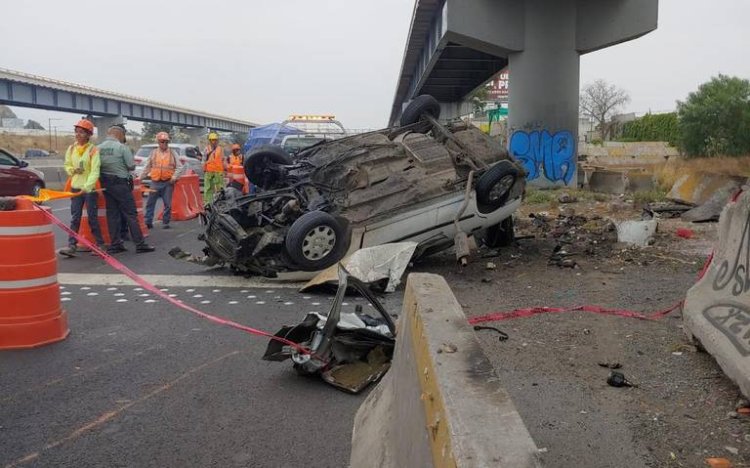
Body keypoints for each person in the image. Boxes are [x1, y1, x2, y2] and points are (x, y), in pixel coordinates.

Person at [97, 124, 155, 254]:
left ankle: (115, 244)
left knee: (112, 214)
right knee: (130, 214)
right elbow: (131, 166)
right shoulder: (121, 147)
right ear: (120, 134)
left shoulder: (98, 148)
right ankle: (140, 244)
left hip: (105, 183)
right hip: (121, 183)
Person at [58, 119, 105, 257]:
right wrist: (72, 170)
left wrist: (87, 187)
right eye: (76, 132)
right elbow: (67, 165)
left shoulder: (93, 150)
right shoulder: (71, 149)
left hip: (89, 190)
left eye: (81, 132)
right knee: (75, 218)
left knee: (92, 218)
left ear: (88, 134)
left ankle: (100, 245)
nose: (78, 134)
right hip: (75, 188)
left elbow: (95, 171)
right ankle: (71, 246)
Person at [142, 132, 185, 229]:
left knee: (167, 204)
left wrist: (174, 177)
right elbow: (147, 167)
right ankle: (148, 221)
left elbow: (179, 167)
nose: (164, 144)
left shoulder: (173, 153)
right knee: (150, 203)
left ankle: (165, 222)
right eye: (162, 142)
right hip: (155, 181)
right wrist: (140, 177)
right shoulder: (153, 153)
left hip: (168, 182)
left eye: (166, 142)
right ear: (158, 142)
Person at [202, 132, 225, 204]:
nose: (213, 142)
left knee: (220, 188)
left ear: (217, 141)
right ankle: (208, 203)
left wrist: (224, 169)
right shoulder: (206, 149)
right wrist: (204, 169)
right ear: (209, 141)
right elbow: (203, 160)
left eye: (215, 140)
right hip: (209, 171)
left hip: (218, 171)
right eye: (212, 140)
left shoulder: (220, 149)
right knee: (208, 188)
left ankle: (220, 202)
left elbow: (223, 159)